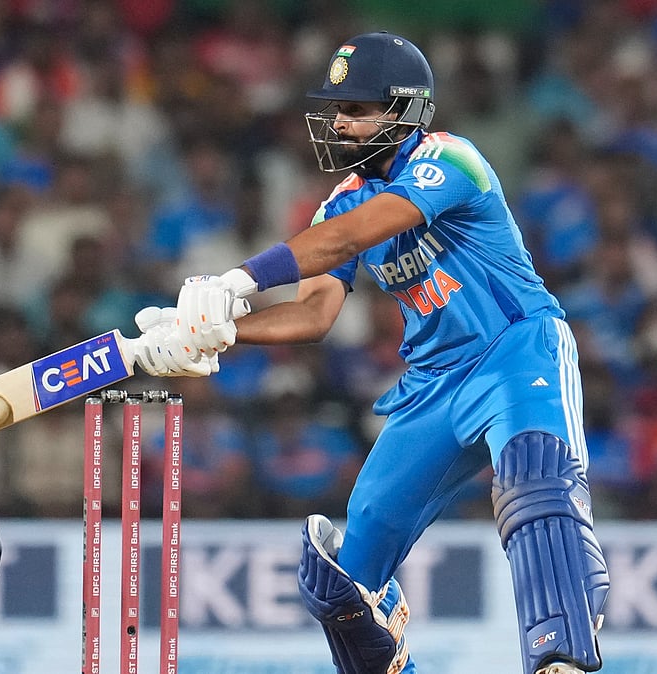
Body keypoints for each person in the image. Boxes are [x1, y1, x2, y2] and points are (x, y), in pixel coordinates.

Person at [133, 32, 610, 674]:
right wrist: (218, 329)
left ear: (405, 108)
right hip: (432, 385)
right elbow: (314, 313)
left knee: (533, 480)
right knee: (344, 581)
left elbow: (353, 235)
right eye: (336, 108)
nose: (338, 122)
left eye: (356, 109)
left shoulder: (452, 160)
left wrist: (235, 282)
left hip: (515, 352)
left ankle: (561, 657)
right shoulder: (343, 200)